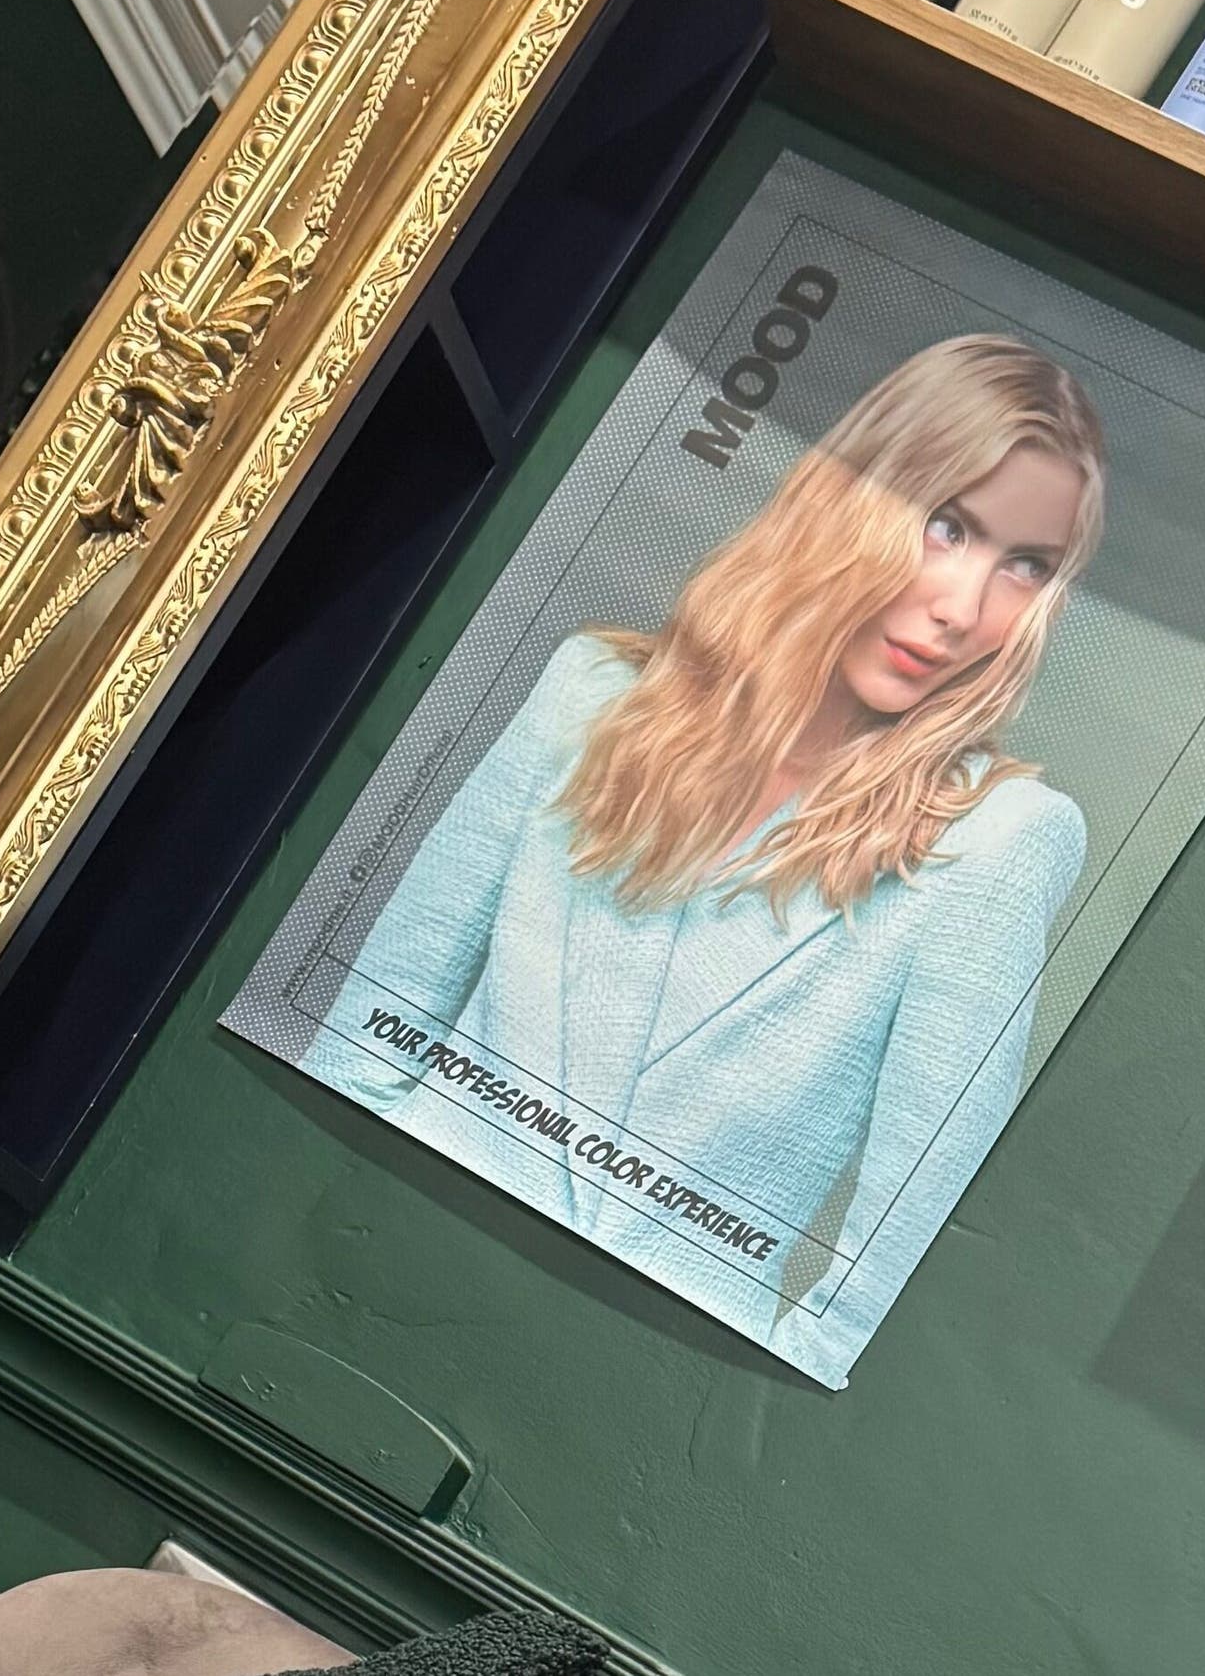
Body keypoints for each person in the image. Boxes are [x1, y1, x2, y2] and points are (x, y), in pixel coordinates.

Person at [312, 334, 1105, 1382]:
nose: (964, 608)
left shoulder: (1002, 838)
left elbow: (903, 1228)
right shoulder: (590, 695)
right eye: (947, 525)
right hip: (360, 1263)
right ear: (848, 494)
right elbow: (373, 1021)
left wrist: (734, 1379)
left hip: (638, 1378)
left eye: (1025, 566)